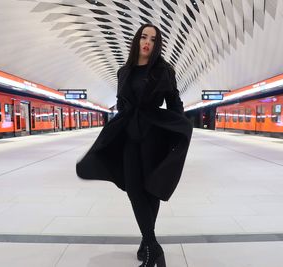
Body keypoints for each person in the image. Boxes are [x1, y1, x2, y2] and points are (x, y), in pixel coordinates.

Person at [76, 23, 192, 267]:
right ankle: (151, 244)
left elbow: (174, 103)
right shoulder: (124, 71)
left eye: (152, 38)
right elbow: (121, 103)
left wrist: (176, 133)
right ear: (137, 40)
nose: (147, 42)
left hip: (154, 135)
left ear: (157, 44)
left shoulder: (164, 71)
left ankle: (148, 248)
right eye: (143, 36)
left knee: (151, 188)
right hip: (129, 134)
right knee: (134, 188)